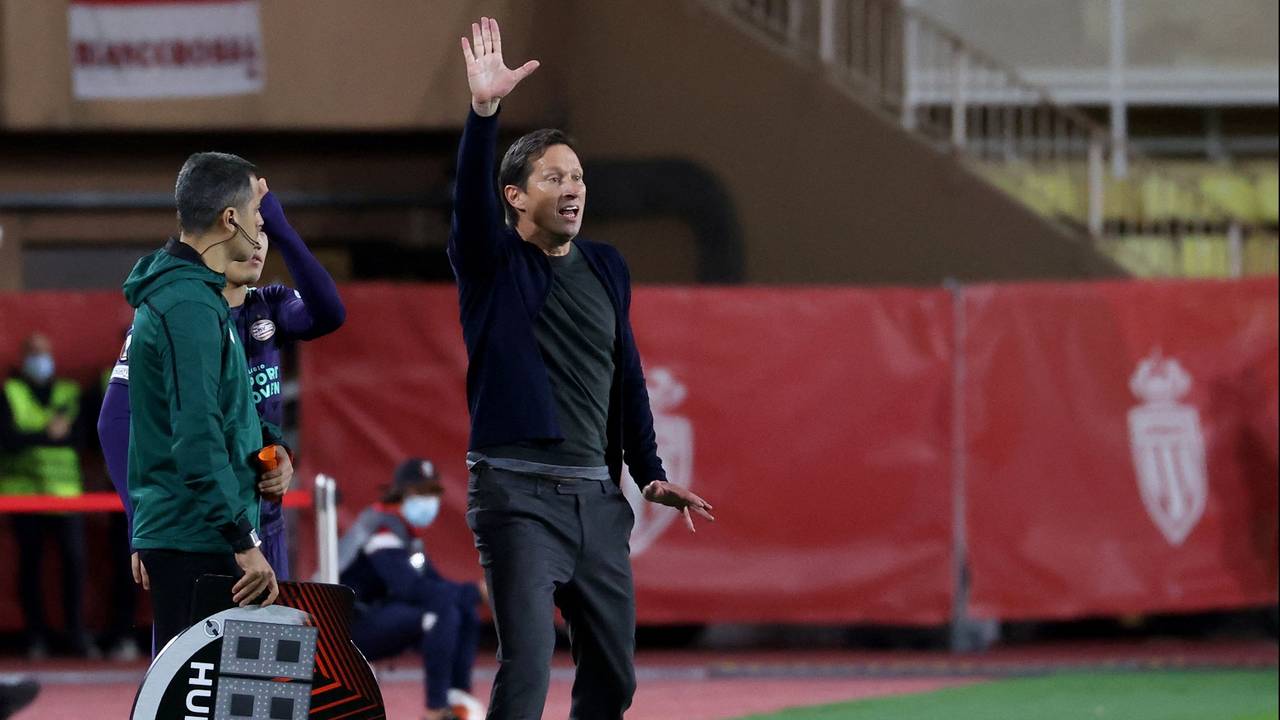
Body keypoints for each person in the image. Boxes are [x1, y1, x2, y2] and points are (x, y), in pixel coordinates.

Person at [450, 17, 715, 718]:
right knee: (529, 668)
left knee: (614, 681)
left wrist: (649, 468)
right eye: (554, 177)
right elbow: (467, 209)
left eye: (579, 177)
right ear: (514, 196)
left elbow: (625, 375)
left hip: (599, 502)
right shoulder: (492, 265)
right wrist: (485, 113)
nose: (573, 188)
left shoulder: (607, 267)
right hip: (516, 498)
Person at [99, 187, 345, 590]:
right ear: (226, 228)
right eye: (253, 228)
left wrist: (280, 452)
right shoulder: (179, 313)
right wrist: (139, 524)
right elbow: (114, 421)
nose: (258, 245)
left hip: (265, 519)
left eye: (264, 232)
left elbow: (331, 312)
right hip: (200, 525)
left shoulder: (269, 306)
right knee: (194, 650)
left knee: (265, 650)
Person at [120, 151, 292, 652]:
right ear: (231, 219)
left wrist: (273, 445)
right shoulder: (188, 305)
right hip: (200, 539)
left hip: (199, 531)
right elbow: (196, 437)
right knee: (200, 702)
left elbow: (228, 410)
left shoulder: (202, 298)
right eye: (257, 218)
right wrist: (244, 541)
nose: (262, 230)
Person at [339, 459, 486, 720]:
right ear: (401, 492)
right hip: (347, 627)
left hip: (377, 613)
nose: (429, 500)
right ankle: (436, 710)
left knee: (461, 609)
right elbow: (409, 588)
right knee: (443, 613)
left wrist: (471, 596)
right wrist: (477, 593)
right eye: (421, 492)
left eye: (433, 492)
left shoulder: (405, 533)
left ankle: (458, 698)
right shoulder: (381, 527)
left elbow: (435, 584)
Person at [0, 333, 93, 658]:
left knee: (75, 567)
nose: (41, 360)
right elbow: (8, 440)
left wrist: (36, 437)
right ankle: (35, 637)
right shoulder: (9, 393)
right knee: (30, 569)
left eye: (45, 353)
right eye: (34, 354)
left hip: (67, 497)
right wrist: (48, 434)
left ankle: (77, 635)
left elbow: (81, 440)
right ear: (23, 357)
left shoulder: (68, 392)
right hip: (24, 496)